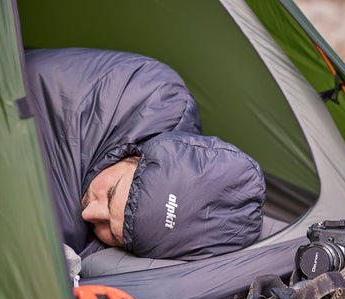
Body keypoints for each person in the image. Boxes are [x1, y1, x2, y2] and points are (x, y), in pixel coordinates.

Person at [24, 47, 266, 261]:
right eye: (110, 194)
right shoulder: (150, 91)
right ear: (134, 155)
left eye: (113, 233)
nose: (89, 213)